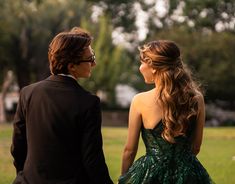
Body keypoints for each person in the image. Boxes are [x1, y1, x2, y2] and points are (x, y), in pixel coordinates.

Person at [11, 27, 113, 184]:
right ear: (71, 66)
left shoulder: (27, 93)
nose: (94, 63)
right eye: (90, 58)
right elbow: (92, 158)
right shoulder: (89, 102)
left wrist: (24, 175)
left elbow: (18, 146)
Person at [118, 40, 214, 184]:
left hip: (150, 174)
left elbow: (129, 150)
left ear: (153, 67)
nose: (140, 67)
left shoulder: (139, 100)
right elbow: (196, 146)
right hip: (188, 174)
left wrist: (123, 179)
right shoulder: (196, 98)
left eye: (142, 62)